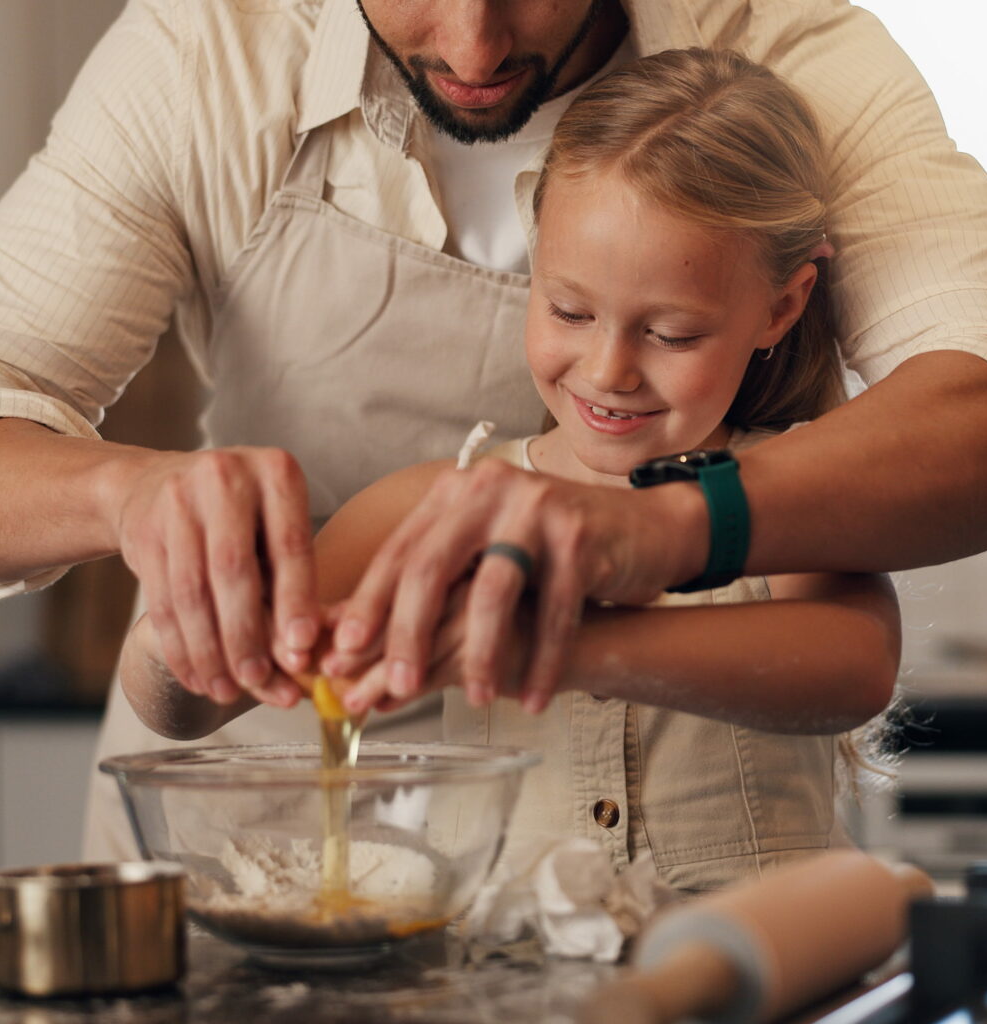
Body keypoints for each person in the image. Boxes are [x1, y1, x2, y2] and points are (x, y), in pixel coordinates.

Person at [0, 0, 987, 860]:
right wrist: (142, 506)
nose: (471, 42)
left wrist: (659, 531)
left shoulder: (778, 37)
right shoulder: (201, 50)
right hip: (261, 858)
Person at [125, 48, 900, 889]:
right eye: (569, 309)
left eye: (672, 333)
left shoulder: (793, 494)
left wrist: (572, 646)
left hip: (759, 981)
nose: (609, 370)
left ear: (781, 307)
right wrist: (197, 614)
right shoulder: (440, 509)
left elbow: (854, 666)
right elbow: (180, 706)